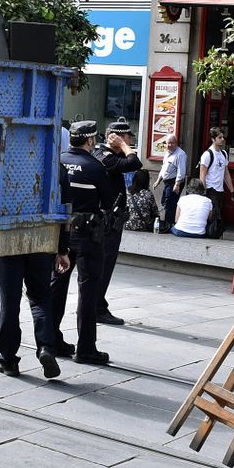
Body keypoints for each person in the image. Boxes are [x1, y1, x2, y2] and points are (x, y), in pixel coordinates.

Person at [48, 121, 114, 366]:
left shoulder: (60, 159)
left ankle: (51, 339)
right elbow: (107, 202)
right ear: (89, 141)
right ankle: (86, 348)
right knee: (88, 290)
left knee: (56, 285)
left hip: (61, 233)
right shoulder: (95, 167)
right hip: (87, 235)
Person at [90, 117, 142, 326]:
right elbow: (135, 163)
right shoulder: (105, 156)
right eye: (127, 137)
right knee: (104, 264)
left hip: (110, 220)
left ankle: (98, 304)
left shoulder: (106, 155)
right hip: (106, 223)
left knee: (104, 265)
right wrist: (122, 145)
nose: (129, 142)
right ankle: (96, 307)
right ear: (117, 137)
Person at [0, 249, 69, 379]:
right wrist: (62, 250)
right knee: (41, 299)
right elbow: (65, 227)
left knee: (9, 301)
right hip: (41, 246)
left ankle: (8, 358)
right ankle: (46, 347)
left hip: (10, 245)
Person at [198, 128, 231, 234]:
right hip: (210, 188)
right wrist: (203, 190)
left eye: (223, 137)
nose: (222, 139)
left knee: (217, 212)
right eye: (219, 137)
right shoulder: (207, 154)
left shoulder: (224, 154)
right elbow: (202, 174)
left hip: (220, 189)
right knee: (213, 213)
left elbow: (226, 173)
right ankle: (211, 232)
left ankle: (212, 232)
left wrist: (232, 190)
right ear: (213, 139)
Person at [157, 134, 187, 233]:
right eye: (168, 143)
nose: (169, 145)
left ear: (176, 143)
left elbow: (181, 171)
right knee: (164, 202)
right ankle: (168, 223)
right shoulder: (167, 153)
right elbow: (164, 168)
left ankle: (169, 225)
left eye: (172, 143)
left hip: (174, 182)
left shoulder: (181, 154)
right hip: (167, 182)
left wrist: (177, 184)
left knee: (170, 204)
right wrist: (158, 181)